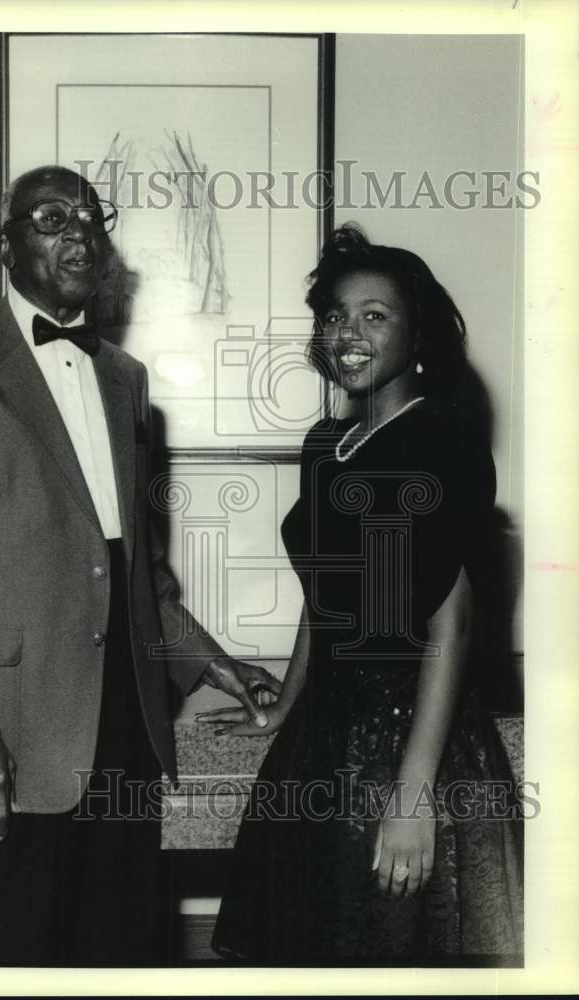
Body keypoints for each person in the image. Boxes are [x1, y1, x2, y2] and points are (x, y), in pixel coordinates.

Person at [0, 165, 280, 967]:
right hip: (14, 729)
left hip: (128, 720)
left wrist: (214, 664)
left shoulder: (125, 383)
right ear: (8, 245)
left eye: (91, 219)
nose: (78, 234)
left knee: (123, 950)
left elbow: (130, 574)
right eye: (51, 218)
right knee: (15, 953)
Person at [199, 224, 524, 965]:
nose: (347, 332)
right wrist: (286, 700)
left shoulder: (443, 441)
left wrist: (413, 796)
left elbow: (454, 622)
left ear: (418, 339)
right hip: (324, 731)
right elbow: (325, 593)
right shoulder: (326, 443)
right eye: (336, 315)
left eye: (375, 316)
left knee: (387, 953)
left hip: (413, 738)